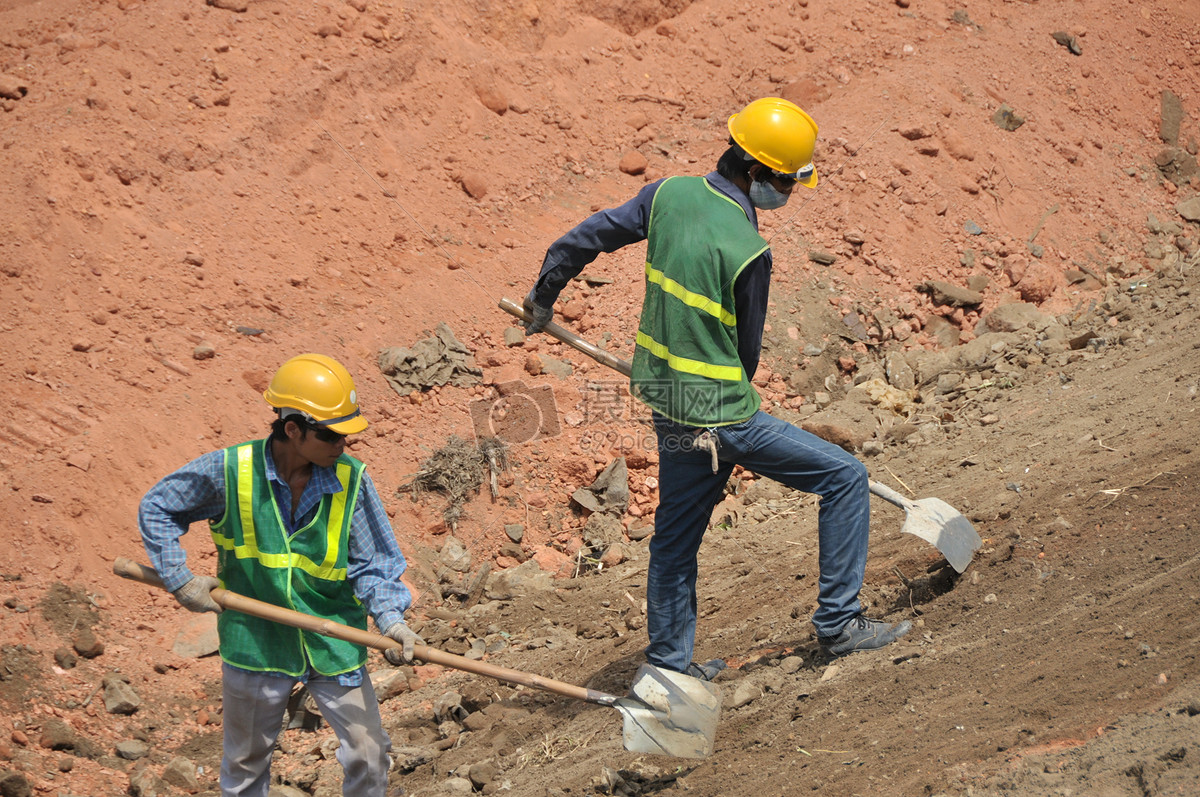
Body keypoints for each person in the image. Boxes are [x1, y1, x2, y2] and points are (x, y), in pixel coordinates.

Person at [522, 97, 911, 677]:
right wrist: (734, 413)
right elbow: (746, 354)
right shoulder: (748, 251)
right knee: (845, 477)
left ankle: (668, 667)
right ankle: (838, 623)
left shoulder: (666, 194)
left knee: (675, 542)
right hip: (723, 415)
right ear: (755, 171)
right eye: (786, 182)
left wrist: (544, 295)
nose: (790, 193)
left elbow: (588, 237)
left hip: (669, 403)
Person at [139, 353, 423, 797]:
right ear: (292, 429)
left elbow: (374, 563)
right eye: (330, 435)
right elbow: (157, 506)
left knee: (370, 754)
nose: (341, 446)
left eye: (347, 435)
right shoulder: (231, 471)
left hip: (334, 642)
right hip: (256, 641)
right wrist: (180, 580)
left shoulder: (351, 479)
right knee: (246, 764)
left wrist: (391, 620)